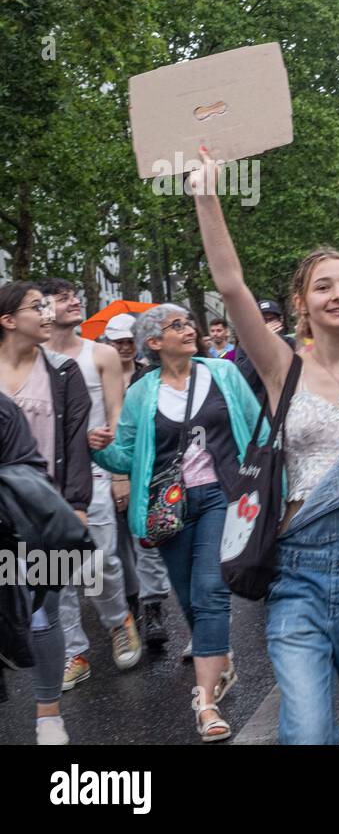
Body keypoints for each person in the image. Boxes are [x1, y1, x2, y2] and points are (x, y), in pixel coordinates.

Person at [190, 148, 339, 745]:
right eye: (323, 286)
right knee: (305, 731)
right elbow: (230, 282)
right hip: (295, 574)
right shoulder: (281, 367)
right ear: (301, 303)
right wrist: (206, 193)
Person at [90, 303, 256, 741]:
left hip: (222, 496)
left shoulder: (223, 373)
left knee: (209, 590)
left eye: (189, 322)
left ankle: (205, 701)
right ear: (154, 343)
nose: (190, 329)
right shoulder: (143, 392)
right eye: (177, 325)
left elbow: (257, 428)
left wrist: (265, 484)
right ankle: (218, 657)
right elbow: (125, 453)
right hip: (169, 508)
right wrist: (98, 449)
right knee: (188, 596)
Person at [0, 282, 93, 744]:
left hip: (44, 513)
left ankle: (48, 716)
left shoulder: (63, 371)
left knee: (44, 612)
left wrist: (76, 504)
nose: (48, 311)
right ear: (8, 319)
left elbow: (77, 442)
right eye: (37, 306)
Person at [37, 278, 142, 682]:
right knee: (55, 570)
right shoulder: (31, 358)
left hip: (94, 470)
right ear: (42, 309)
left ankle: (118, 621)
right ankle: (75, 653)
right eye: (62, 298)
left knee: (98, 560)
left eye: (75, 295)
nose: (74, 301)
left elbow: (117, 416)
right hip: (45, 478)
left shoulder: (101, 353)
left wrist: (119, 475)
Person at [100, 312, 174, 649]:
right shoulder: (99, 377)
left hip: (144, 469)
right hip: (105, 466)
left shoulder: (149, 376)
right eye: (119, 342)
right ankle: (127, 607)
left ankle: (153, 606)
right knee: (113, 547)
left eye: (130, 341)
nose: (125, 347)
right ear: (108, 344)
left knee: (147, 540)